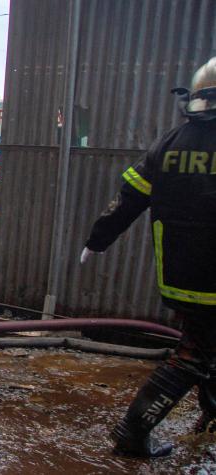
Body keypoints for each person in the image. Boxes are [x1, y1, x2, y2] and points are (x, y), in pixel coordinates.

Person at [82, 56, 216, 458]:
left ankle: (209, 413)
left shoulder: (171, 142)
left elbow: (126, 201)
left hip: (178, 279)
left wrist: (97, 240)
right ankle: (133, 431)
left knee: (205, 347)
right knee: (193, 356)